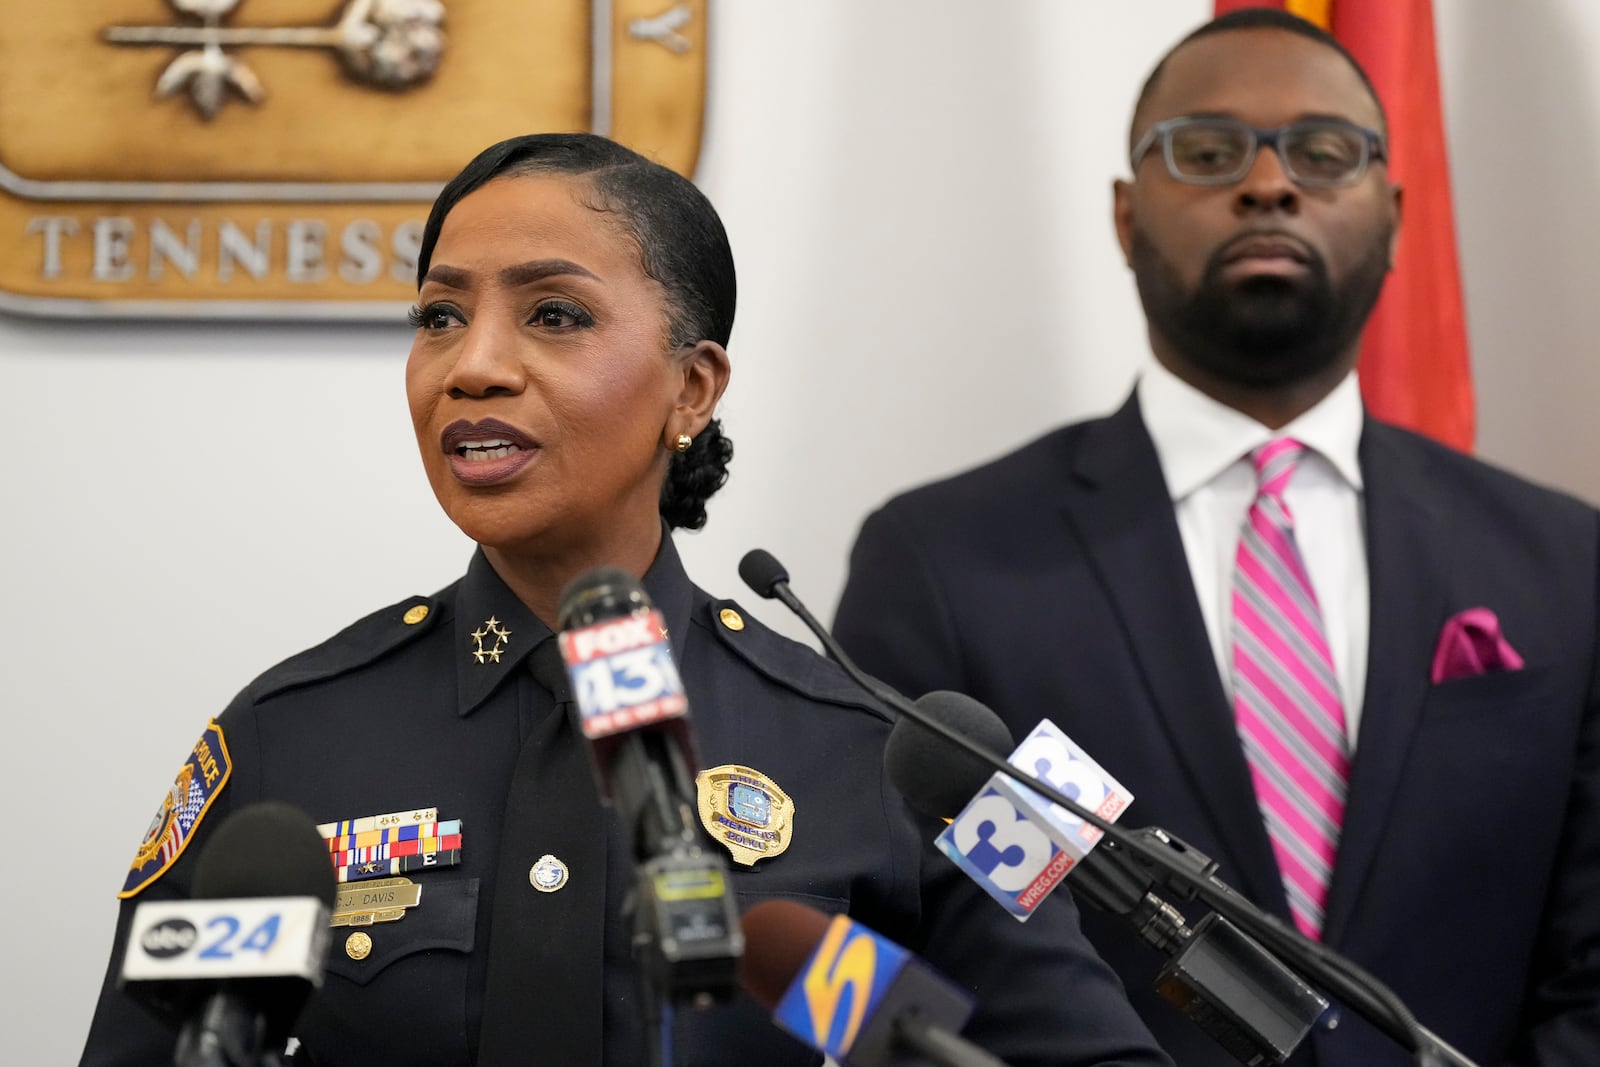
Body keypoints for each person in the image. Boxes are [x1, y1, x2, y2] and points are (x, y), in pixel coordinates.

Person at [78, 133, 1170, 1067]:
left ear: (691, 387)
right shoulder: (284, 738)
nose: (473, 365)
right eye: (438, 315)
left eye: (553, 314)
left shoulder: (901, 755)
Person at [834, 10, 1600, 1067]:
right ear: (1122, 215)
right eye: (1207, 150)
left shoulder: (1566, 562)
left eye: (1323, 152)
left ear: (1395, 212)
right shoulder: (943, 564)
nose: (1269, 184)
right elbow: (898, 953)